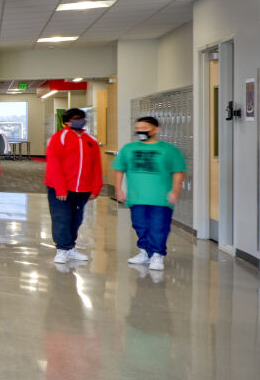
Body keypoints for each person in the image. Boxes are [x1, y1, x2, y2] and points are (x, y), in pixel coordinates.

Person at [113, 115, 187, 272]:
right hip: (137, 197)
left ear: (156, 130)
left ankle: (157, 255)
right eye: (138, 129)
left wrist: (175, 190)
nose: (141, 131)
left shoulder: (168, 150)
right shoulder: (128, 149)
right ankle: (145, 252)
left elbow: (178, 172)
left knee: (158, 226)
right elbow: (119, 169)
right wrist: (119, 189)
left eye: (144, 128)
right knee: (139, 225)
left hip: (160, 198)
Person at [43, 108, 103, 264]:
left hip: (83, 189)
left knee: (76, 220)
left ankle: (70, 247)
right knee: (61, 218)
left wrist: (96, 187)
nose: (80, 121)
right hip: (62, 188)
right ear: (67, 122)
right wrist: (60, 188)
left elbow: (96, 165)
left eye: (82, 118)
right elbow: (54, 165)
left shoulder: (91, 140)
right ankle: (62, 249)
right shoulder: (59, 138)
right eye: (75, 119)